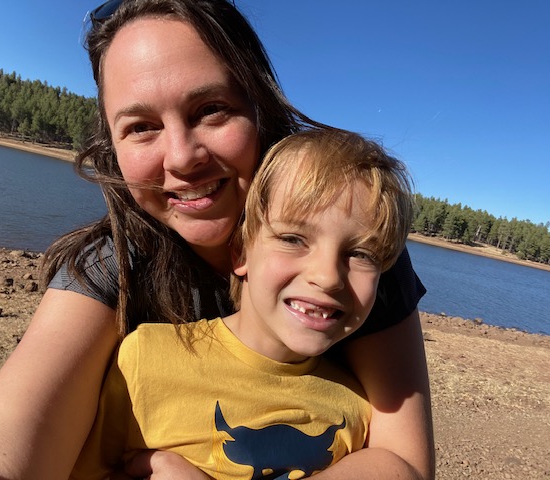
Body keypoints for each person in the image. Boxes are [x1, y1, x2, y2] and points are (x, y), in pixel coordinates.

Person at [0, 1, 434, 479]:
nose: (183, 158)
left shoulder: (356, 247)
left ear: (260, 109)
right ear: (112, 146)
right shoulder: (113, 267)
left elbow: (403, 460)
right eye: (141, 126)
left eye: (211, 109)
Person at [71, 127, 415, 480]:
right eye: (293, 239)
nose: (328, 277)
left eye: (361, 254)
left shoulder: (356, 411)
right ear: (241, 252)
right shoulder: (144, 360)